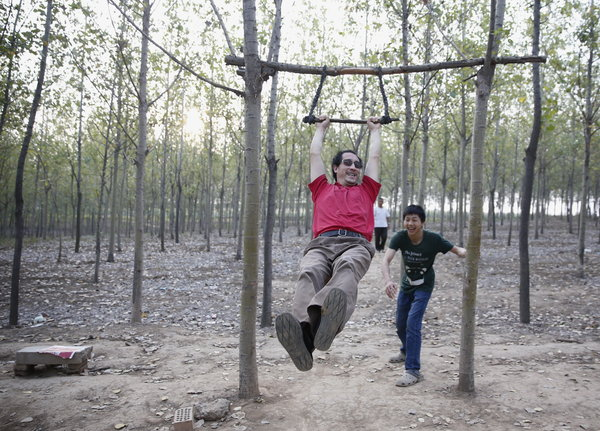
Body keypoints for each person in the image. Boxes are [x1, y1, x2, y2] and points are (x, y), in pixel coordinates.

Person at [275, 114, 383, 371]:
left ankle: (317, 329)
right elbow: (314, 156)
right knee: (308, 272)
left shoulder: (367, 189)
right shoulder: (321, 187)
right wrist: (320, 129)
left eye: (358, 164)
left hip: (356, 244)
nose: (354, 167)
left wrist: (375, 131)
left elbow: (376, 158)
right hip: (321, 244)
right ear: (335, 168)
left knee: (347, 268)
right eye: (348, 163)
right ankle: (304, 334)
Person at [381, 204, 466, 386]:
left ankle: (413, 370)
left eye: (414, 220)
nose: (410, 223)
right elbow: (386, 260)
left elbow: (456, 250)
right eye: (407, 219)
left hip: (424, 287)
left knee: (413, 323)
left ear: (422, 223)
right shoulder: (400, 237)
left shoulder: (433, 239)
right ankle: (405, 351)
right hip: (406, 286)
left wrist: (464, 252)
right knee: (400, 324)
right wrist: (388, 281)